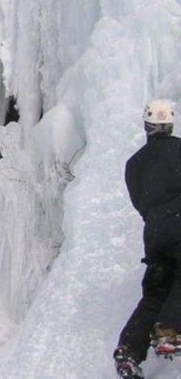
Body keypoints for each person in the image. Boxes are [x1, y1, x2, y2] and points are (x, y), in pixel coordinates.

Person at [114, 99, 181, 378]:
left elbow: (139, 202)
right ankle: (168, 330)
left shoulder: (134, 164)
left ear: (147, 125)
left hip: (154, 233)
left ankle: (128, 350)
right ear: (170, 123)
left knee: (156, 291)